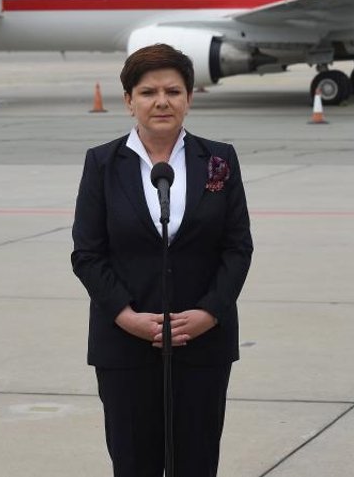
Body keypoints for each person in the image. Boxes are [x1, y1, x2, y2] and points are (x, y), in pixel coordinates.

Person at [71, 43, 253, 477]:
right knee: (134, 462)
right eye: (148, 92)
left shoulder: (218, 160)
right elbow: (87, 253)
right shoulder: (102, 163)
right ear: (129, 100)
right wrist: (126, 316)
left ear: (189, 98)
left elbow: (237, 246)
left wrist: (210, 311)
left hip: (202, 342)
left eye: (173, 91)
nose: (162, 101)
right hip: (125, 343)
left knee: (198, 460)